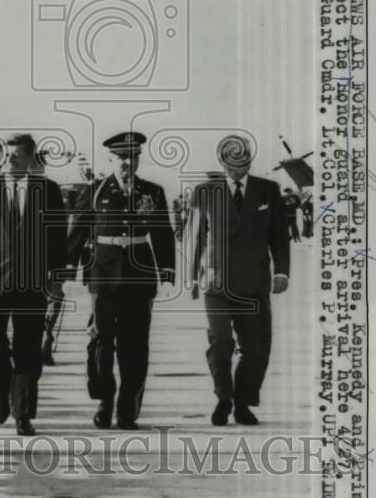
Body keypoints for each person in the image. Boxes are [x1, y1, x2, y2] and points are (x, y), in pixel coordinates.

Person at [67, 132, 175, 430]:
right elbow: (77, 232)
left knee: (135, 345)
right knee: (101, 342)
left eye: (134, 156)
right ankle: (105, 398)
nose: (128, 162)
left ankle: (127, 411)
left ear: (139, 159)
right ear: (111, 159)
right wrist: (66, 270)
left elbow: (163, 233)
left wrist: (167, 271)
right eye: (122, 157)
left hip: (139, 276)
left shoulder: (152, 192)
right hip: (103, 274)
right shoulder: (95, 190)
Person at [0, 134, 67, 436]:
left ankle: (23, 414)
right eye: (6, 155)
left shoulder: (48, 191)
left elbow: (58, 239)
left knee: (28, 349)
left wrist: (57, 279)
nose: (9, 160)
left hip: (33, 285)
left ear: (31, 158)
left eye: (17, 156)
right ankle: (0, 387)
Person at [191, 134, 290, 426]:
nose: (240, 170)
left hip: (255, 281)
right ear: (222, 163)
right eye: (234, 166)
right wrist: (192, 277)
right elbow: (196, 237)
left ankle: (244, 402)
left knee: (256, 347)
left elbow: (280, 235)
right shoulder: (204, 191)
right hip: (217, 283)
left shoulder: (268, 190)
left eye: (245, 164)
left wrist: (282, 271)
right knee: (220, 343)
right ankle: (223, 397)